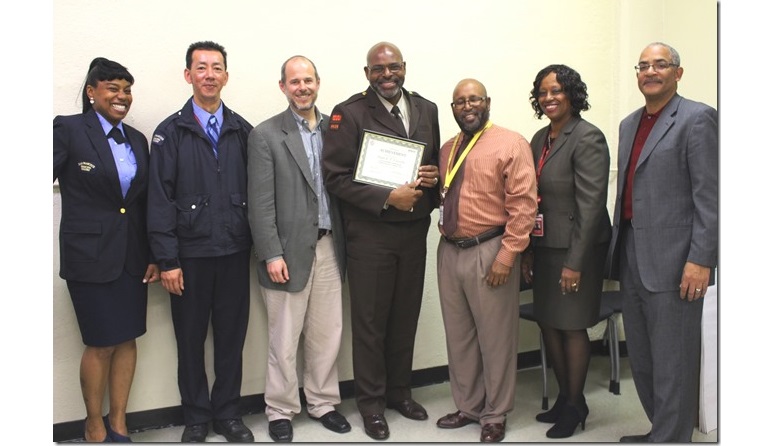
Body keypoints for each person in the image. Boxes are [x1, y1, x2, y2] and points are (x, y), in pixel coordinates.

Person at [321, 41, 441, 441]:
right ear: (367, 72)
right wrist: (388, 196)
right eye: (378, 69)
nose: (386, 75)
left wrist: (431, 179)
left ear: (404, 67)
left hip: (413, 230)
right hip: (370, 233)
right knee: (371, 322)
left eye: (393, 68)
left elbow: (433, 164)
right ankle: (371, 405)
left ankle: (399, 393)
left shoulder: (427, 108)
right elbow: (336, 177)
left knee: (405, 316)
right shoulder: (350, 112)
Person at [606, 42, 718, 443]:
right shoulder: (628, 124)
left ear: (678, 73)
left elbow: (710, 195)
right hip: (632, 251)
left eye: (660, 65)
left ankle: (672, 438)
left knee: (675, 358)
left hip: (677, 260)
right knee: (644, 354)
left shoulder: (697, 118)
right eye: (643, 66)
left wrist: (701, 259)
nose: (650, 71)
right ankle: (663, 430)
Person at [147, 41, 255, 443]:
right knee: (189, 341)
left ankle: (228, 414)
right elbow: (159, 201)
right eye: (201, 67)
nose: (209, 74)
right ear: (188, 75)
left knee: (231, 339)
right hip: (188, 258)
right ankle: (195, 416)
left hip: (233, 253)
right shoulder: (169, 133)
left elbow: (259, 196)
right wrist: (167, 259)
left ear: (226, 76)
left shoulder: (243, 131)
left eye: (217, 68)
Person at [54, 57, 159, 442]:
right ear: (91, 91)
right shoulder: (68, 129)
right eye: (113, 88)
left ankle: (118, 420)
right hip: (89, 256)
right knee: (100, 343)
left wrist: (152, 253)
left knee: (128, 338)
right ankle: (93, 422)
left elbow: (142, 201)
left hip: (131, 257)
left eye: (127, 89)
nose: (122, 96)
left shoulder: (136, 139)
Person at [247, 55, 351, 443]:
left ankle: (323, 402)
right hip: (286, 254)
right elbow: (260, 203)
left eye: (308, 80)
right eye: (295, 81)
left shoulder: (336, 130)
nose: (302, 87)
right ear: (283, 87)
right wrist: (271, 253)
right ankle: (281, 409)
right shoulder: (265, 135)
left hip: (329, 248)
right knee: (283, 338)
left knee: (328, 334)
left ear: (318, 83)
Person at [435, 78, 537, 443]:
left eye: (474, 99)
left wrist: (507, 256)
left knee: (495, 339)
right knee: (459, 337)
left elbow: (524, 206)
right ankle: (469, 406)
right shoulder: (447, 149)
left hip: (490, 250)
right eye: (460, 101)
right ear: (453, 109)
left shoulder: (511, 143)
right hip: (449, 252)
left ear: (487, 102)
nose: (467, 106)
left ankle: (495, 414)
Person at [520, 64, 611, 439]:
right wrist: (527, 250)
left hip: (578, 249)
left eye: (556, 90)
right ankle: (566, 398)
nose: (549, 98)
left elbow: (591, 206)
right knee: (549, 323)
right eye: (542, 92)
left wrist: (574, 263)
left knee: (572, 326)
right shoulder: (540, 138)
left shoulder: (588, 137)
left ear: (572, 94)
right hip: (545, 247)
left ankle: (576, 406)